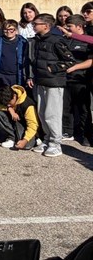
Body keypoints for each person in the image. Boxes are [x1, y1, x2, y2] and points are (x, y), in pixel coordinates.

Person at [28, 14, 75, 158]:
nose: (33, 26)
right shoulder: (37, 40)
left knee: (52, 114)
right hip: (40, 81)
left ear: (46, 26)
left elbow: (70, 61)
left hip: (54, 82)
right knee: (42, 113)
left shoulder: (56, 41)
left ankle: (56, 144)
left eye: (36, 24)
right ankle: (47, 139)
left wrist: (53, 68)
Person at [62, 15, 92, 146]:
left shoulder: (88, 40)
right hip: (66, 79)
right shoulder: (65, 40)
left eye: (70, 26)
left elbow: (91, 61)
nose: (67, 29)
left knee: (83, 109)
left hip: (81, 79)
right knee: (66, 107)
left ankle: (86, 135)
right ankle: (68, 132)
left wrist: (75, 67)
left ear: (79, 26)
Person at [0, 84, 39, 150]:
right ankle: (11, 137)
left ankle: (36, 138)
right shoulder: (3, 95)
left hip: (23, 125)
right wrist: (9, 108)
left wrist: (25, 140)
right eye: (6, 104)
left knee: (26, 145)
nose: (8, 105)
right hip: (12, 121)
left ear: (14, 96)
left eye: (9, 103)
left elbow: (33, 125)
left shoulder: (28, 105)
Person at [0, 19, 28, 88]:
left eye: (11, 29)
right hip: (1, 74)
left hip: (17, 75)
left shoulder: (23, 42)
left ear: (16, 30)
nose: (8, 31)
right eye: (5, 29)